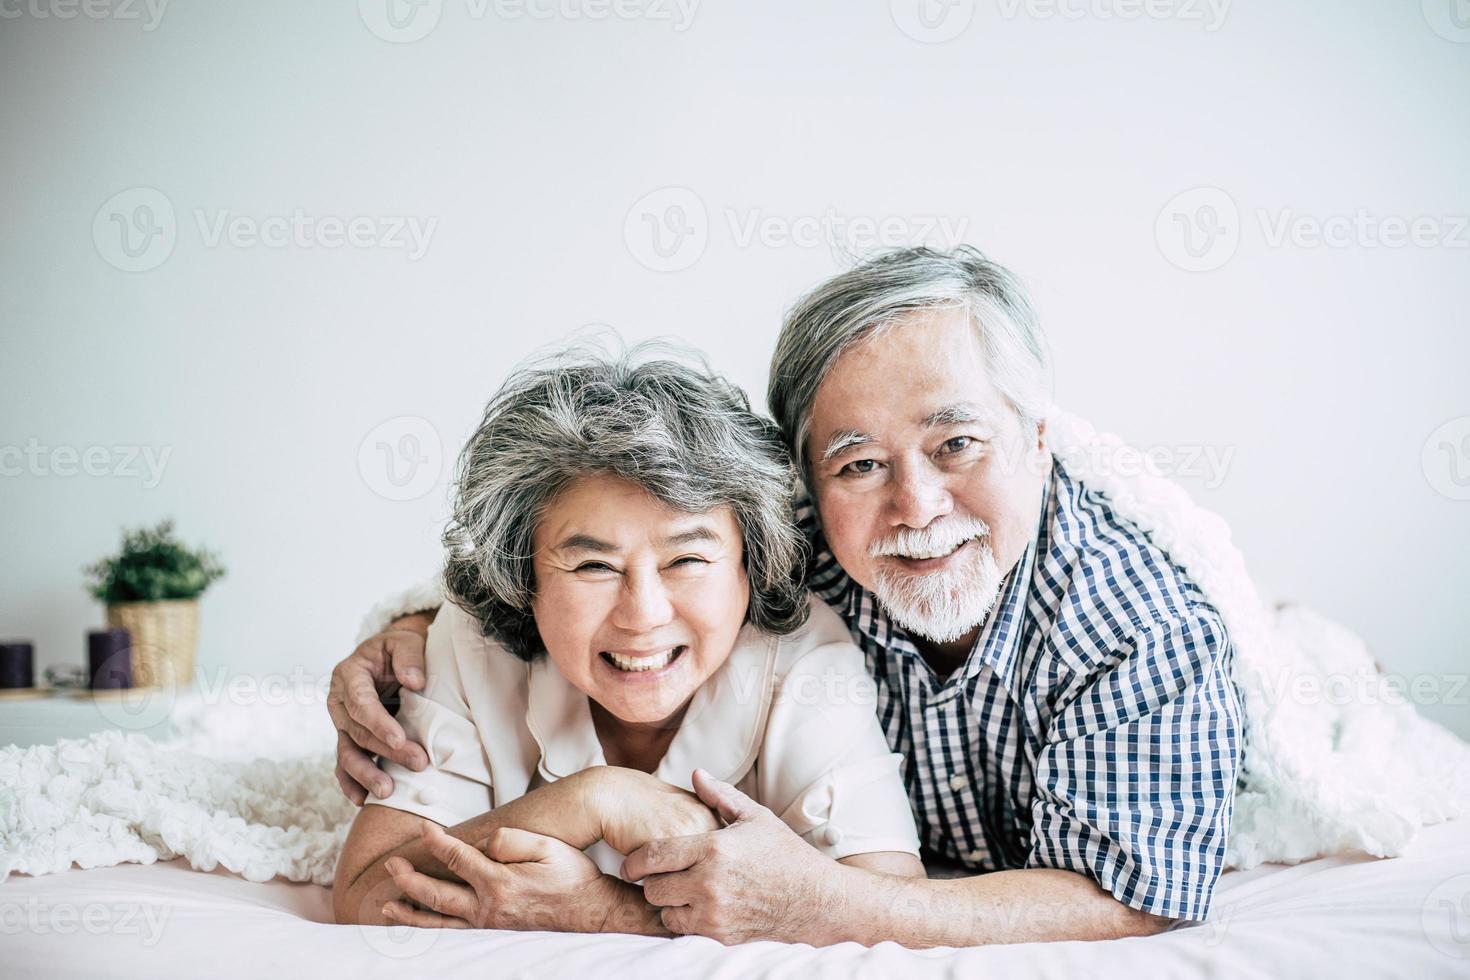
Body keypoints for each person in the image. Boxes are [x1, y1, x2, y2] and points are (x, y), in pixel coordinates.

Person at [332, 246, 1244, 946]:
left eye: (958, 442)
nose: (916, 507)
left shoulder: (1144, 633)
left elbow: (1130, 900)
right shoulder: (779, 538)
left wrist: (799, 902)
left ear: (1039, 440)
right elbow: (593, 525)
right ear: (804, 481)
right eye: (858, 462)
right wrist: (406, 633)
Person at [331, 347, 924, 932]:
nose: (643, 615)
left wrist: (607, 913)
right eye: (593, 567)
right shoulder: (468, 641)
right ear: (524, 575)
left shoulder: (807, 657)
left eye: (687, 559)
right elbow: (367, 893)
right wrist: (593, 800)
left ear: (751, 565)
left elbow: (887, 908)